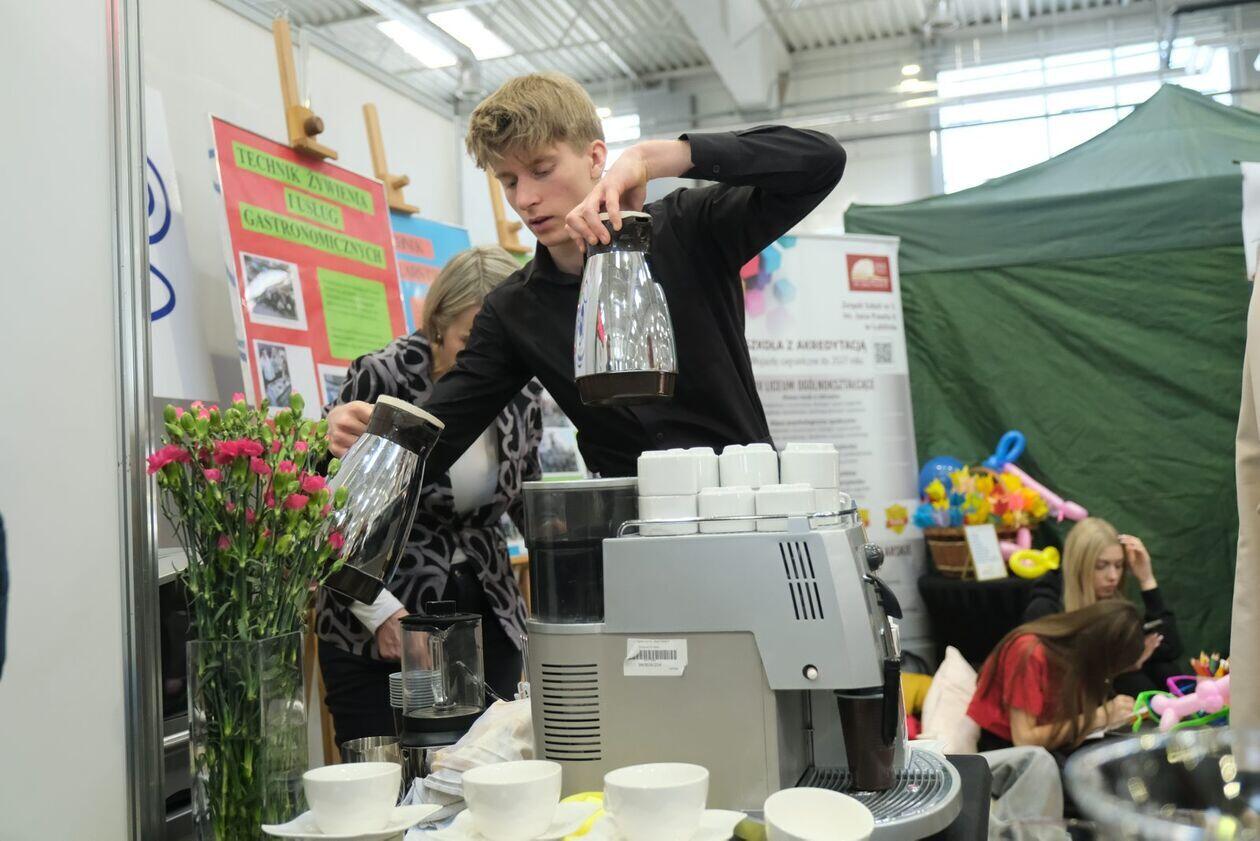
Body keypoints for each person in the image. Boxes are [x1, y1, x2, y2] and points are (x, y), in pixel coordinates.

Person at [326, 71, 847, 480]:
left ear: (596, 156)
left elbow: (821, 161)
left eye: (541, 170)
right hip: (625, 541)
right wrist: (357, 440)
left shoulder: (691, 228)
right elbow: (442, 432)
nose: (525, 198)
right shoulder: (513, 311)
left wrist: (657, 157)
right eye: (508, 181)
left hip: (745, 510)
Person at [317, 245, 542, 745]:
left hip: (487, 608)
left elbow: (529, 499)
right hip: (380, 614)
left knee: (489, 768)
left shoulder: (521, 386)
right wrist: (379, 612)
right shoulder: (383, 376)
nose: (487, 356)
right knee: (399, 777)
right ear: (439, 322)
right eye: (470, 339)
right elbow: (332, 513)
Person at [1022, 517, 1182, 695]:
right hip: (1075, 697)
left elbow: (1170, 648)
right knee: (1132, 681)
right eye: (1100, 566)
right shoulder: (1046, 606)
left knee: (1164, 669)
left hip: (1107, 681)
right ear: (1079, 565)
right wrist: (1119, 668)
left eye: (1119, 566)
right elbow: (1057, 676)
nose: (1113, 576)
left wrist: (1147, 580)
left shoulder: (1113, 601)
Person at [967, 599, 1147, 754]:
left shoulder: (1076, 656)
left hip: (1057, 737)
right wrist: (1099, 717)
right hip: (1009, 749)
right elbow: (1024, 739)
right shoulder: (1029, 653)